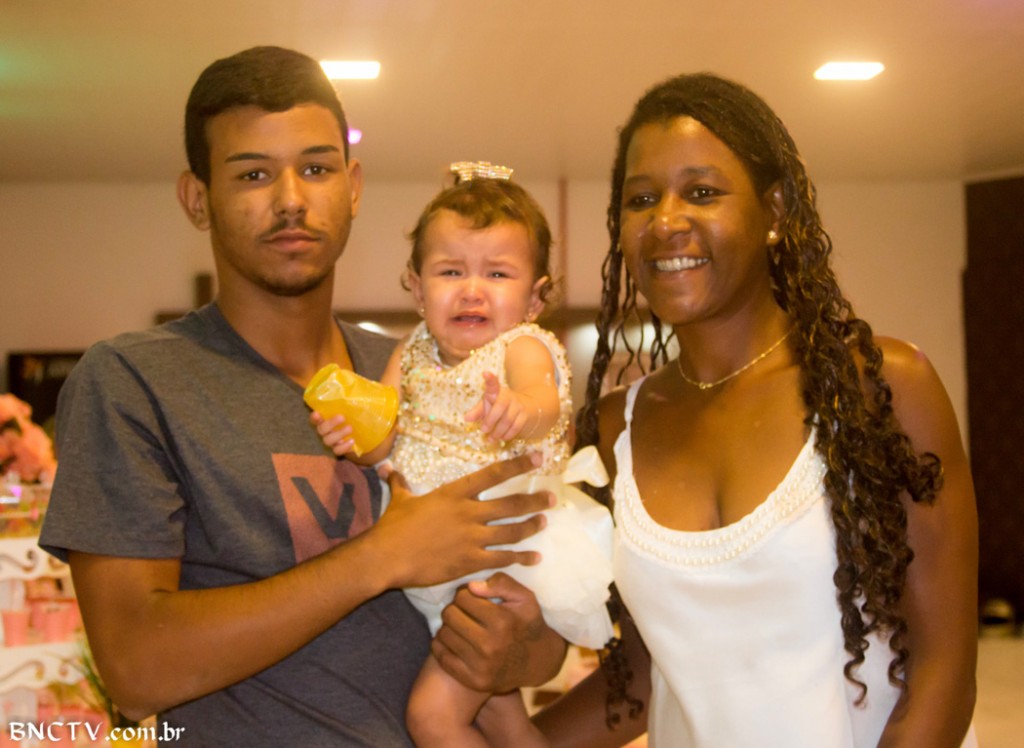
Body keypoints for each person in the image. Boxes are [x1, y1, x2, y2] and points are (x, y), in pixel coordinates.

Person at [37, 46, 567, 747]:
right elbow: (136, 669)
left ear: (353, 186)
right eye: (253, 174)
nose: (291, 199)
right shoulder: (133, 382)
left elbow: (539, 638)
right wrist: (382, 556)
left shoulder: (423, 373)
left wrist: (520, 647)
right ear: (197, 199)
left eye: (316, 169)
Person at [525, 73, 979, 747]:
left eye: (702, 192)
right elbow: (647, 678)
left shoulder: (880, 387)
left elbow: (943, 672)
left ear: (775, 212)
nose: (665, 221)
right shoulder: (616, 428)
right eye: (641, 199)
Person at [314, 166, 614, 747]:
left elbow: (545, 400)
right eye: (451, 271)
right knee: (500, 715)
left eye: (497, 274)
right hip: (435, 561)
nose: (472, 289)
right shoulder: (410, 352)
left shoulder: (521, 347)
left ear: (535, 298)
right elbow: (382, 441)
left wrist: (519, 410)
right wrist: (351, 431)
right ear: (416, 287)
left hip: (504, 554)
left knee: (433, 717)